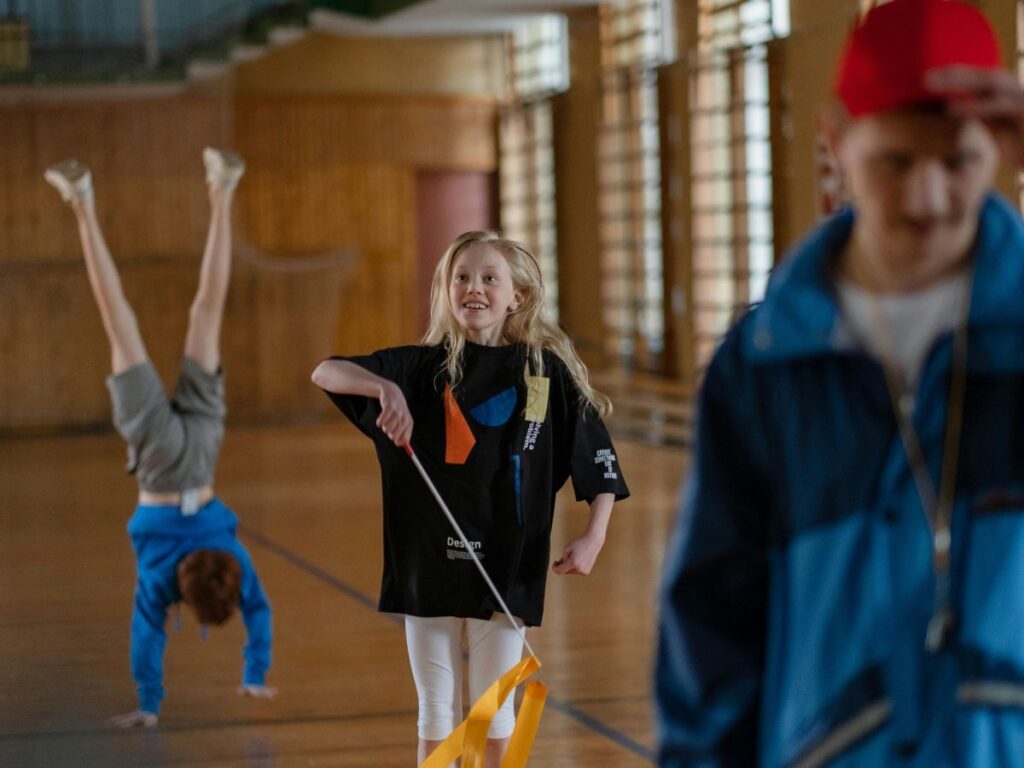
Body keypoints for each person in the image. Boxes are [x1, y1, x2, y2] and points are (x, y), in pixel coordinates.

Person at [656, 0, 1024, 765]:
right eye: (894, 162)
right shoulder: (764, 366)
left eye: (958, 162)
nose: (927, 200)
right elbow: (713, 630)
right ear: (836, 142)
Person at [312, 230, 629, 766]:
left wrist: (593, 536)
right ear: (445, 290)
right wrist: (383, 390)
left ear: (516, 297)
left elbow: (597, 460)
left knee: (494, 710)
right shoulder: (417, 369)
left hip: (507, 567)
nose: (473, 288)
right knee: (435, 709)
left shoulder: (542, 375)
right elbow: (327, 371)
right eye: (461, 277)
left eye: (489, 278)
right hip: (427, 563)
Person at [44, 149, 275, 729]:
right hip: (156, 462)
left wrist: (257, 670)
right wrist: (148, 703)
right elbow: (145, 638)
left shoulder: (235, 560)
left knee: (207, 310)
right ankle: (82, 203)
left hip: (201, 453)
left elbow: (261, 611)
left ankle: (223, 189)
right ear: (185, 597)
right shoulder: (157, 580)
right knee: (114, 314)